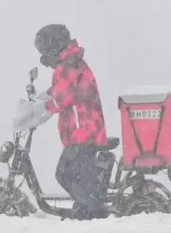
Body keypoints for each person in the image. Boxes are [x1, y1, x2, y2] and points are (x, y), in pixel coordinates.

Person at [33, 23, 113, 219]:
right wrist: (44, 95)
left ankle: (92, 212)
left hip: (83, 132)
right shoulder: (72, 61)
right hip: (88, 130)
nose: (42, 52)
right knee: (82, 178)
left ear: (53, 44)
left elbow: (63, 97)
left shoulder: (66, 65)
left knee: (65, 174)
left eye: (43, 47)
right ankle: (89, 207)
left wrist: (38, 111)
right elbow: (65, 89)